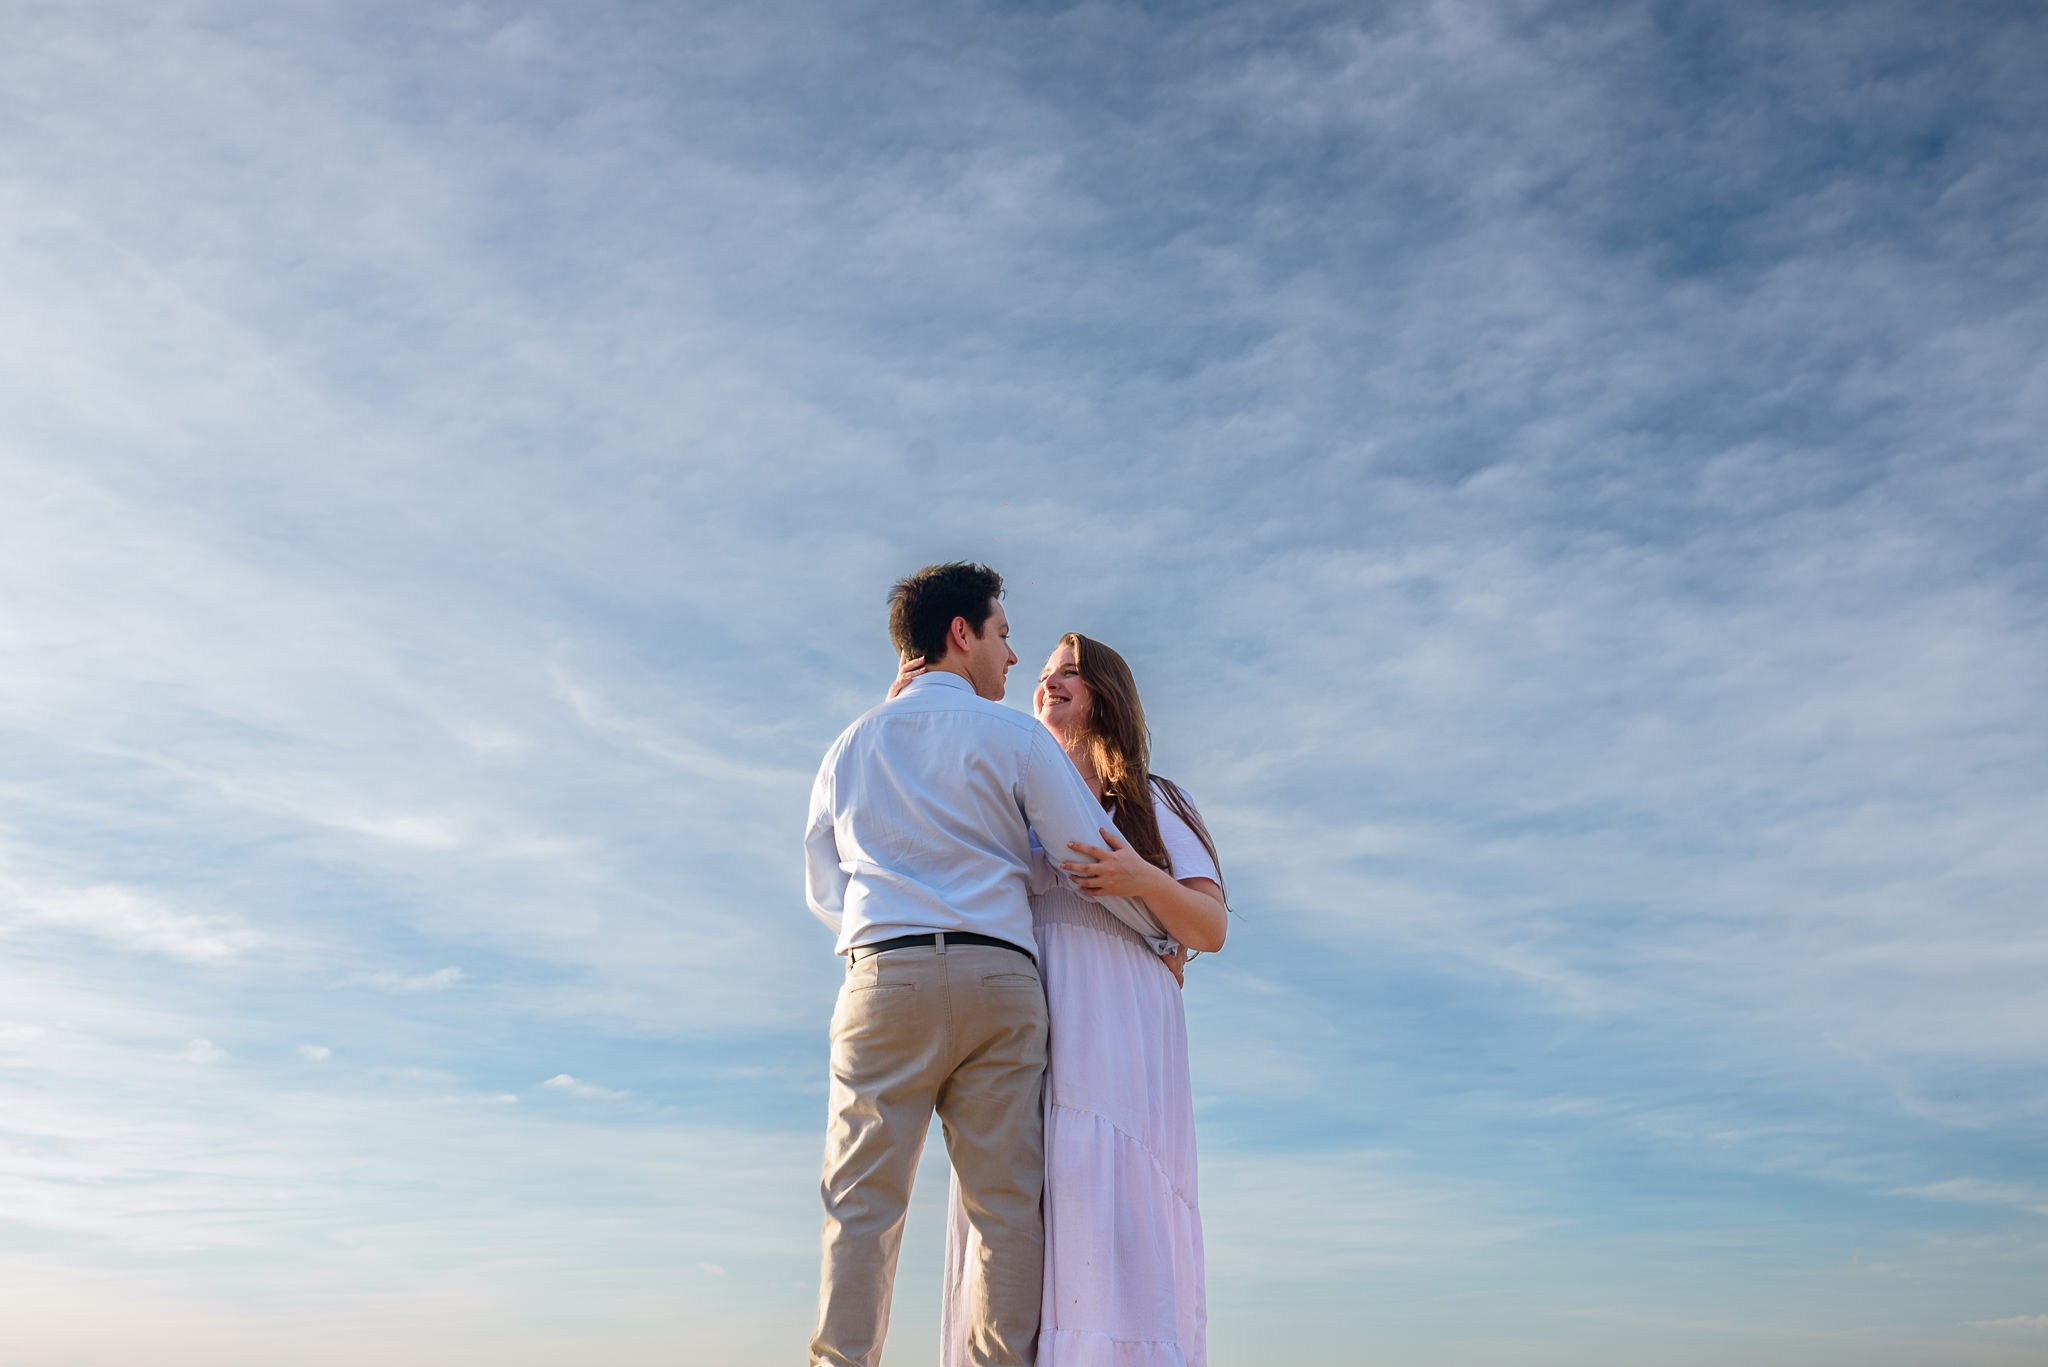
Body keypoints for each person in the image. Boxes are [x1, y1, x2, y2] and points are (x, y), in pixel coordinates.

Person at [804, 565, 1179, 1367]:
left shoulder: (851, 744)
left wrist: (887, 931)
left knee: (861, 1205)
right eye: (1004, 635)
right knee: (1007, 1210)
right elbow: (1089, 854)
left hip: (884, 977)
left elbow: (826, 886)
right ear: (961, 634)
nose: (1013, 659)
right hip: (998, 980)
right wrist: (1158, 932)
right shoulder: (1011, 737)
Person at [916, 632, 1227, 1367]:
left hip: (1120, 1024)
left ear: (1105, 695)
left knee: (1103, 1194)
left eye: (1071, 674)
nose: (1050, 683)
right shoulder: (1011, 806)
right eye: (1046, 673)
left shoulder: (1153, 800)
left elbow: (1209, 925)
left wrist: (1138, 880)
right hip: (1028, 1019)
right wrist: (910, 700)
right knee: (1016, 1202)